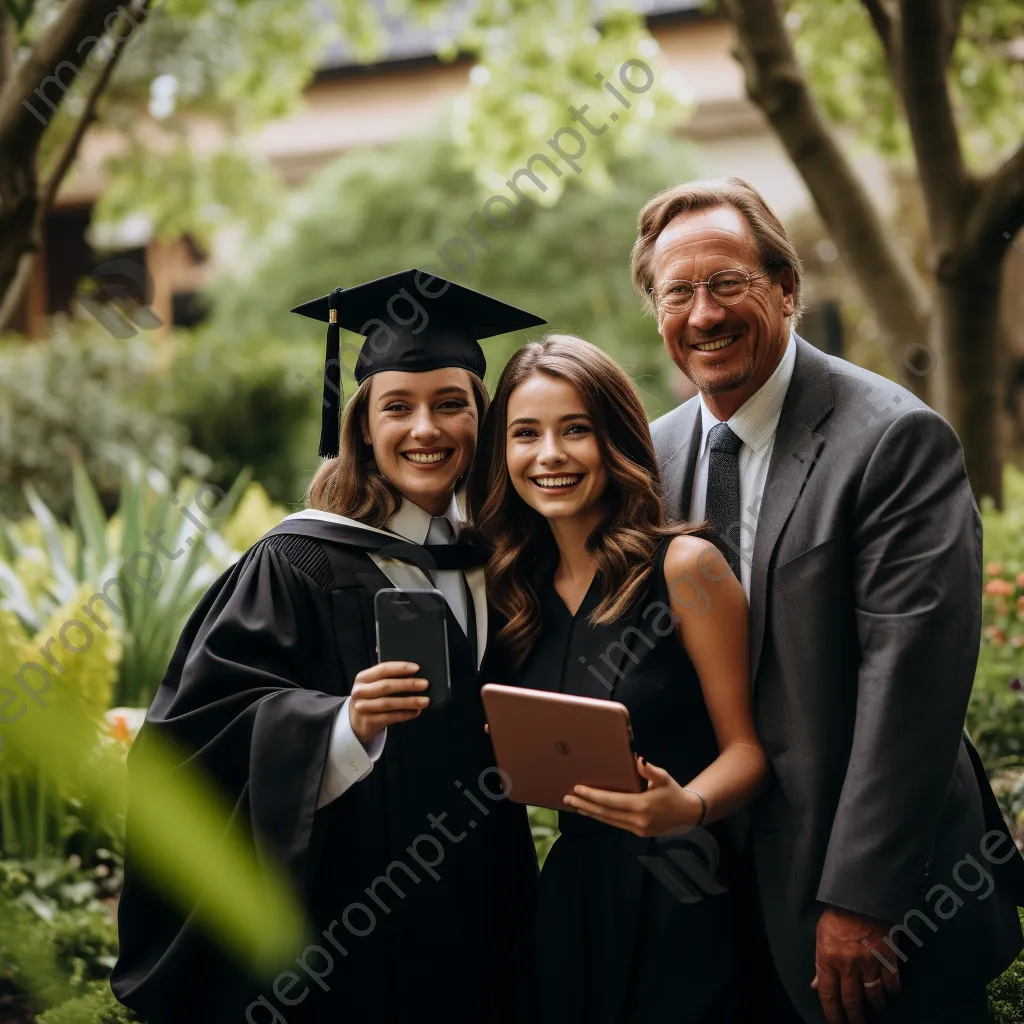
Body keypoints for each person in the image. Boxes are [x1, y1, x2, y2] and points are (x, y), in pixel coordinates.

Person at [635, 177, 1024, 1024]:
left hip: (879, 907)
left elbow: (911, 689)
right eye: (678, 293)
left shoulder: (892, 440)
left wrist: (862, 899)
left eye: (728, 283)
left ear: (785, 287)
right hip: (717, 893)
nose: (703, 314)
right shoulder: (651, 457)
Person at [111, 269, 544, 1024]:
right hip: (348, 916)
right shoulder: (297, 561)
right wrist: (341, 724)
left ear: (483, 419)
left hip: (482, 896)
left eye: (452, 405)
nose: (426, 430)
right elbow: (192, 734)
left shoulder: (502, 559)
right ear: (362, 427)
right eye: (397, 407)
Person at [466, 334, 771, 1024]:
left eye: (576, 429)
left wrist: (684, 806)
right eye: (525, 434)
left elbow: (749, 753)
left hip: (686, 891)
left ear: (616, 438)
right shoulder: (510, 591)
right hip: (570, 893)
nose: (549, 455)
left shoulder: (685, 569)